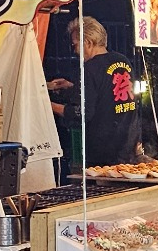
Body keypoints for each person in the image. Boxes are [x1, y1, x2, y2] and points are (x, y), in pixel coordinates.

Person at [47, 16, 143, 166]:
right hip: (128, 147)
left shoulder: (90, 69)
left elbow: (81, 113)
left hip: (103, 154)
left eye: (75, 45)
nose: (75, 50)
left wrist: (48, 105)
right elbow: (106, 93)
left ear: (87, 42)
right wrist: (70, 86)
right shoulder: (122, 60)